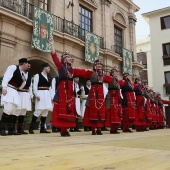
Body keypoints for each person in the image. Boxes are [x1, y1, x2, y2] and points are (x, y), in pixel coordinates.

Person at [49, 40, 93, 137]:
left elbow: (81, 72)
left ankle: (66, 129)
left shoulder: (72, 70)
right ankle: (62, 129)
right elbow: (54, 57)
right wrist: (52, 45)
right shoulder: (61, 67)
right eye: (68, 57)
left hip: (69, 92)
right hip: (62, 90)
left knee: (68, 109)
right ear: (64, 59)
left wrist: (88, 71)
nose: (70, 59)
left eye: (70, 57)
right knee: (62, 109)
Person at [83, 57, 113, 135]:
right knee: (93, 110)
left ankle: (99, 129)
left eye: (100, 64)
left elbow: (110, 80)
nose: (99, 65)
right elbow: (84, 73)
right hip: (93, 92)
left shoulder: (103, 75)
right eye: (98, 64)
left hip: (100, 92)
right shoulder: (92, 73)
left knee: (100, 111)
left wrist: (109, 74)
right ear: (94, 66)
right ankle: (93, 129)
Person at [0, 58, 29, 136]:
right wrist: (4, 88)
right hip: (9, 89)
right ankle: (2, 129)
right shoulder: (13, 67)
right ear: (23, 64)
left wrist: (23, 81)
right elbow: (6, 76)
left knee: (14, 111)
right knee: (8, 109)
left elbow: (21, 87)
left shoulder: (22, 73)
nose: (28, 65)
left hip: (15, 91)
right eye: (27, 64)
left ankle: (11, 130)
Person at [29, 63, 53, 134]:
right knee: (38, 110)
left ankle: (42, 128)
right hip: (41, 94)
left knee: (45, 111)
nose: (49, 69)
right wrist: (36, 94)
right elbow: (35, 86)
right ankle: (31, 127)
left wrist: (51, 97)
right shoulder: (38, 75)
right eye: (48, 68)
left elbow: (50, 88)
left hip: (47, 94)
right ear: (44, 68)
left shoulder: (48, 77)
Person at [13, 62, 33, 134]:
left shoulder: (29, 75)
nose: (29, 67)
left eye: (29, 66)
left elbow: (30, 86)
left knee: (23, 111)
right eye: (28, 66)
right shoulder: (19, 73)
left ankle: (20, 129)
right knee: (17, 110)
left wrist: (31, 95)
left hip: (26, 94)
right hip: (19, 93)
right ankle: (12, 129)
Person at [105, 67, 122, 134]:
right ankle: (112, 128)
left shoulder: (116, 79)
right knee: (112, 112)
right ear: (112, 73)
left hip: (116, 96)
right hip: (112, 96)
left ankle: (115, 128)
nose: (116, 73)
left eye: (117, 72)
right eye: (115, 72)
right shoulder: (111, 79)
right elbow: (113, 86)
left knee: (116, 112)